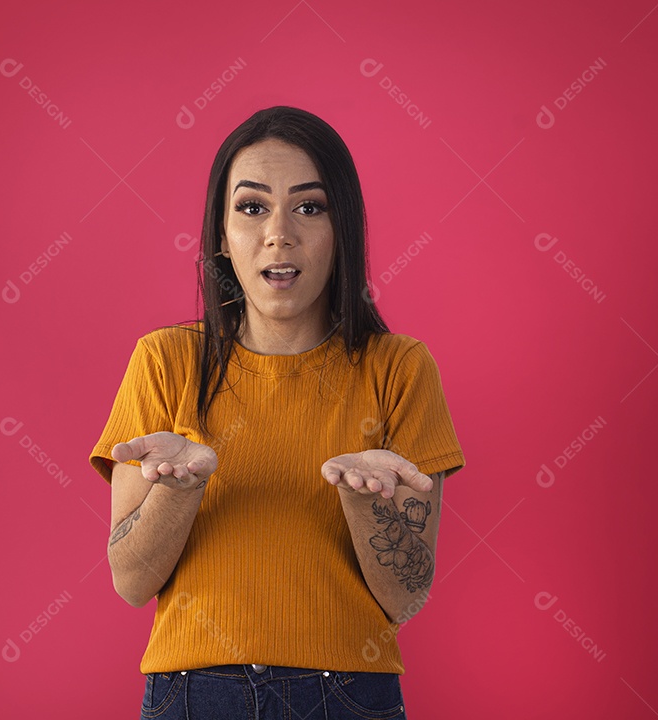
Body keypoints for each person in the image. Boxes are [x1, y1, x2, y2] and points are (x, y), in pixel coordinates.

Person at [88, 105, 465, 719]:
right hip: (193, 697)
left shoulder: (401, 369)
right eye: (253, 206)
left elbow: (407, 595)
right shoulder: (164, 362)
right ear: (220, 232)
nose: (279, 233)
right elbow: (130, 582)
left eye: (310, 207)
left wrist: (367, 500)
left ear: (342, 228)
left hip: (348, 696)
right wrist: (179, 488)